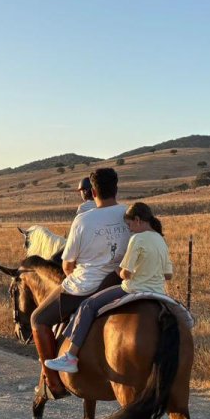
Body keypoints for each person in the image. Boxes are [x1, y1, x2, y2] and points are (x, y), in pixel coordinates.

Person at [30, 167, 129, 391]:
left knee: (38, 319)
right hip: (124, 282)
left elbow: (67, 264)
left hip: (87, 285)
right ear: (116, 189)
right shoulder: (130, 214)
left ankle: (53, 382)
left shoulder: (83, 219)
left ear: (92, 192)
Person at [44, 202, 172, 374]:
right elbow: (168, 275)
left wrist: (118, 270)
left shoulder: (137, 239)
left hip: (133, 289)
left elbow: (126, 274)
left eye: (129, 225)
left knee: (88, 305)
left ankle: (71, 357)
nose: (130, 230)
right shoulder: (160, 239)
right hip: (158, 292)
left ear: (138, 220)